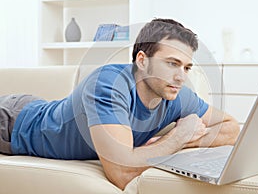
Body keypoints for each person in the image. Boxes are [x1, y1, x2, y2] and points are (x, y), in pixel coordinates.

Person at [0, 18, 240, 190]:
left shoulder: (176, 93)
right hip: (13, 123)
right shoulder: (108, 84)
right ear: (142, 61)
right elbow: (121, 174)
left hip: (38, 107)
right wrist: (176, 139)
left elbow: (230, 128)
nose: (181, 76)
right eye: (171, 63)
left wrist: (188, 138)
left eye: (186, 67)